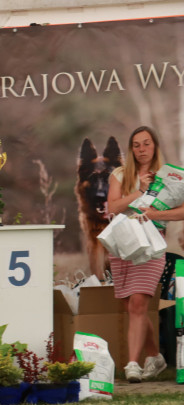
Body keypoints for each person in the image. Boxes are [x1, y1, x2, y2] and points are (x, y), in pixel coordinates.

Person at [105, 125, 167, 382]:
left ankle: (132, 365)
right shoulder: (120, 174)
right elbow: (114, 206)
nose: (142, 149)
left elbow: (179, 209)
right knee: (131, 306)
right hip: (123, 244)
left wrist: (156, 212)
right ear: (131, 149)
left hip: (151, 244)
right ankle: (156, 356)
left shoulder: (167, 176)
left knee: (139, 304)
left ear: (155, 146)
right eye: (137, 145)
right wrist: (140, 191)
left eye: (147, 143)